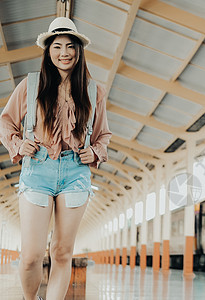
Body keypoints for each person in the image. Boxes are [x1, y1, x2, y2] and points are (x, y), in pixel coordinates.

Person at [0, 17, 112, 300]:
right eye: (58, 46)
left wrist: (94, 151)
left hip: (76, 172)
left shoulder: (93, 90)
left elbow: (103, 135)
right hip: (37, 168)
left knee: (62, 252)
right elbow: (6, 122)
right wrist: (18, 144)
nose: (64, 53)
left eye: (71, 46)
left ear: (78, 50)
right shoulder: (31, 85)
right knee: (31, 255)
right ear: (48, 51)